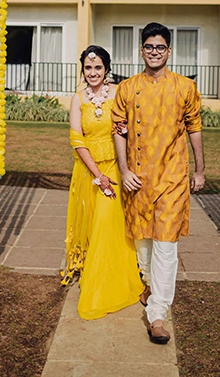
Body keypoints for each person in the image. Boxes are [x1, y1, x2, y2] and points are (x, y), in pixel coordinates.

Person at [111, 22, 205, 345]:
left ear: (169, 51)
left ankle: (158, 313)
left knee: (166, 243)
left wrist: (200, 169)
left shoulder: (185, 87)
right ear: (141, 50)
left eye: (160, 47)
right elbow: (119, 131)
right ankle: (150, 283)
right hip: (138, 178)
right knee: (142, 240)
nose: (154, 52)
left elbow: (194, 128)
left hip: (173, 176)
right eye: (149, 47)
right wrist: (124, 171)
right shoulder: (127, 88)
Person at [62, 45, 145, 320]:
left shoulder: (119, 92)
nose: (93, 72)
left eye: (98, 67)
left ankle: (109, 284)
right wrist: (98, 175)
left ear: (107, 69)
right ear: (83, 70)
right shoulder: (77, 98)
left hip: (117, 168)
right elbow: (76, 139)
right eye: (88, 67)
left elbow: (130, 128)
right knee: (95, 225)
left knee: (109, 225)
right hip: (90, 172)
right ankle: (97, 277)